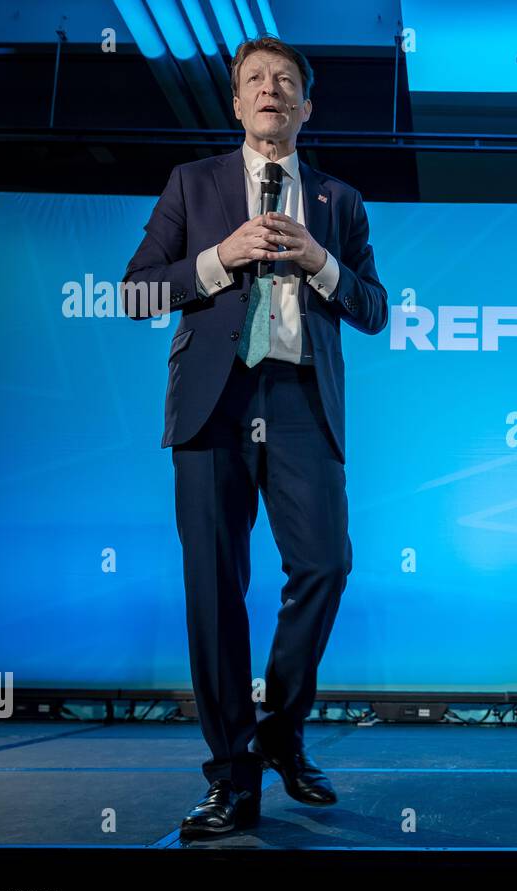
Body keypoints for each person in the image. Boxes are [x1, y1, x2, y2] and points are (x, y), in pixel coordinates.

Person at [121, 36, 388, 838]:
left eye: (286, 82)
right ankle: (232, 774)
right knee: (213, 588)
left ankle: (281, 732)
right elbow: (135, 294)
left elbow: (374, 309)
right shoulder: (191, 184)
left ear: (306, 106)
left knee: (326, 566)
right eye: (255, 80)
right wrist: (216, 259)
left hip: (302, 399)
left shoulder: (339, 200)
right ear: (237, 103)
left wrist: (322, 263)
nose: (271, 90)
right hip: (215, 404)